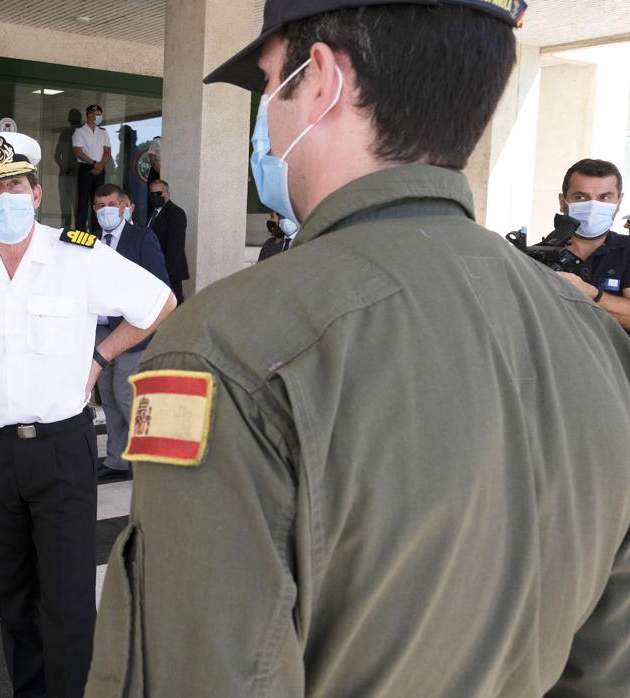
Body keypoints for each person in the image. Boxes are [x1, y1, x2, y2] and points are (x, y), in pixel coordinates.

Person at [87, 1, 630, 696]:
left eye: (268, 85)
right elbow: (605, 662)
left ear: (319, 80)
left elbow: (203, 672)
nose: (267, 120)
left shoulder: (231, 341)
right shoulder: (589, 335)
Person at [0, 131, 175, 697]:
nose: (5, 197)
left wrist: (100, 357)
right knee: (14, 597)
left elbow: (158, 303)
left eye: (15, 185)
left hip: (61, 447)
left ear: (34, 191)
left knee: (70, 602)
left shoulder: (77, 255)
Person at [89, 183, 169, 482]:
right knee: (108, 396)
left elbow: (161, 286)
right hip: (100, 330)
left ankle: (152, 459)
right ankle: (117, 459)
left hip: (133, 331)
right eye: (100, 206)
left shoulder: (142, 239)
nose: (106, 210)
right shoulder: (91, 242)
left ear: (125, 206)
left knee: (127, 396)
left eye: (112, 204)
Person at [551, 158, 630, 331]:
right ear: (563, 201)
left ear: (619, 201)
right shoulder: (539, 255)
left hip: (614, 358)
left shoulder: (627, 251)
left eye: (605, 198)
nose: (594, 206)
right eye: (581, 197)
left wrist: (591, 294)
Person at [146, 179, 189, 301]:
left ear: (167, 194)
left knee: (174, 306)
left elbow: (176, 247)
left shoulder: (176, 213)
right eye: (152, 194)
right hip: (154, 270)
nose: (155, 197)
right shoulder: (152, 212)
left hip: (169, 273)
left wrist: (165, 273)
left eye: (158, 193)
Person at [71, 105, 111, 232]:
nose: (97, 116)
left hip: (100, 169)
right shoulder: (80, 131)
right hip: (86, 168)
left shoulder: (103, 132)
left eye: (99, 114)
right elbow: (77, 151)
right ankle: (80, 231)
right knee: (83, 202)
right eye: (95, 114)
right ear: (89, 115)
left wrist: (100, 166)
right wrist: (94, 164)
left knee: (99, 201)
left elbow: (107, 151)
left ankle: (96, 231)